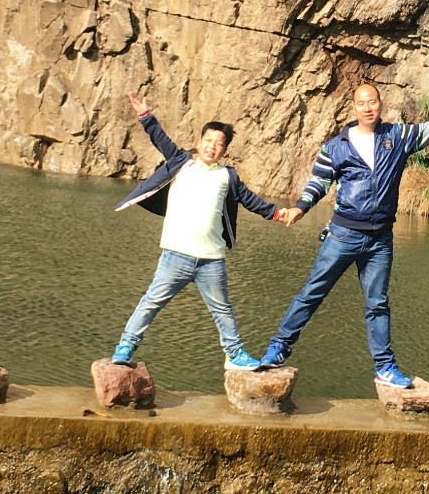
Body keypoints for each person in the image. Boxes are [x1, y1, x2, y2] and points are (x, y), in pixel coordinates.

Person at [259, 80, 429, 386]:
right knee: (312, 293)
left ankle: (385, 367)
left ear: (380, 105)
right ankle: (278, 347)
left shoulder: (397, 136)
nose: (367, 107)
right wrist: (300, 208)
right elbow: (318, 183)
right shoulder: (336, 147)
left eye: (372, 102)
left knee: (377, 303)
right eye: (361, 103)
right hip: (342, 234)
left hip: (380, 240)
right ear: (354, 108)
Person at [112, 91, 294, 371]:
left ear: (224, 150)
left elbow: (251, 201)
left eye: (219, 144)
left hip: (211, 259)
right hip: (176, 255)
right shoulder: (181, 162)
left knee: (223, 310)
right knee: (150, 303)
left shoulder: (227, 176)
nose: (212, 146)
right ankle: (125, 347)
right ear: (198, 142)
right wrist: (145, 116)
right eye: (208, 140)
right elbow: (160, 139)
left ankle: (234, 355)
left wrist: (278, 214)